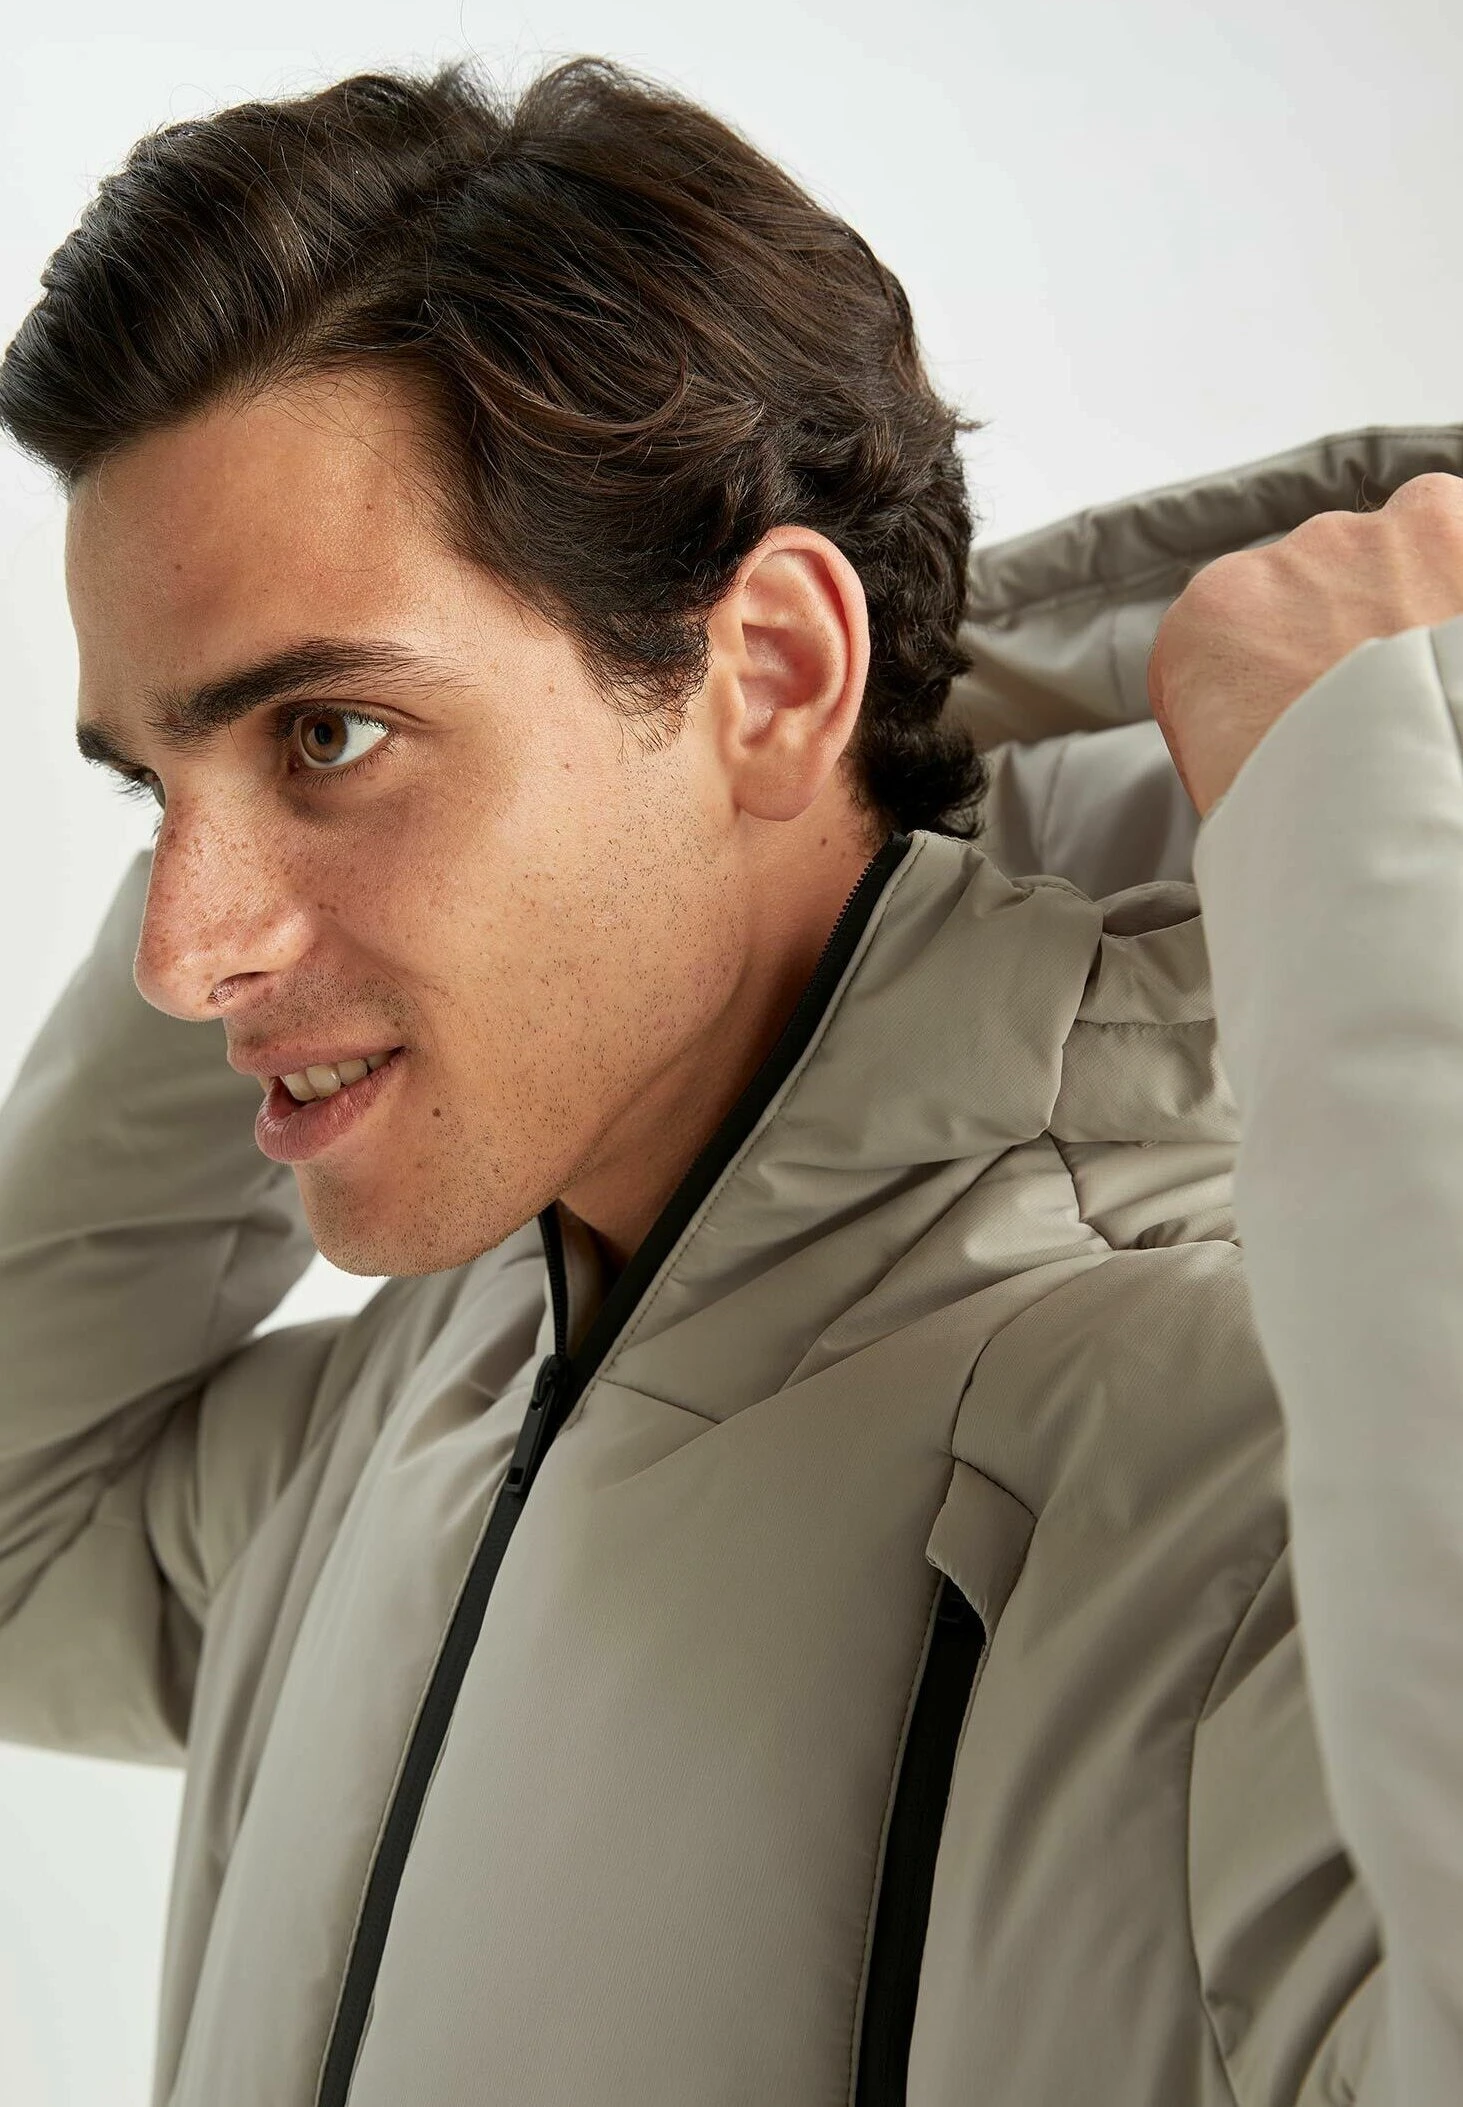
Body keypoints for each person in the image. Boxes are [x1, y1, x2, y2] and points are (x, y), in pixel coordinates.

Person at [0, 50, 1457, 2107]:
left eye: (326, 734)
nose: (176, 955)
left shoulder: (1211, 1475)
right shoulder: (412, 1402)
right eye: (158, 784)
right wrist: (950, 676)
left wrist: (1354, 811)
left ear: (771, 671)